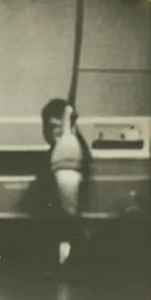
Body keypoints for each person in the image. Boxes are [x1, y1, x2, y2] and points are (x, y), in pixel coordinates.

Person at [40, 98, 92, 266]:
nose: (54, 132)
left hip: (68, 234)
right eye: (50, 127)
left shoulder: (72, 153)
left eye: (58, 126)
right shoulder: (53, 156)